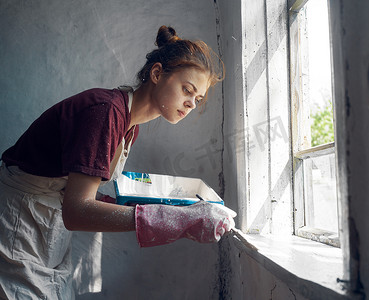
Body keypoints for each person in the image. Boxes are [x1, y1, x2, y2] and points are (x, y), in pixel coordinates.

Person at [0, 25, 235, 299]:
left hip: (47, 222)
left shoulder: (129, 124)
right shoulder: (107, 111)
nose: (191, 104)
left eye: (198, 98)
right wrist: (175, 219)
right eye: (187, 90)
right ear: (157, 74)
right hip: (21, 220)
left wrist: (159, 205)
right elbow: (77, 211)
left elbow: (77, 191)